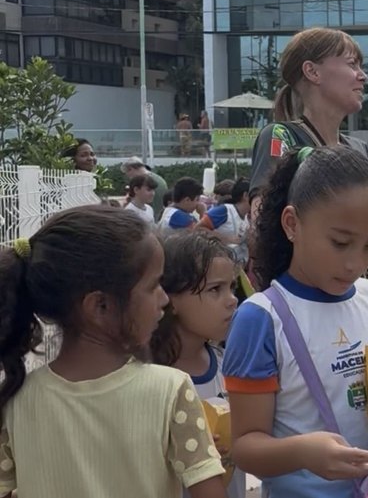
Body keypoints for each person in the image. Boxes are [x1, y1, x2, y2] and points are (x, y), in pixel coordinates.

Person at [222, 146, 368, 498]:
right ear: (292, 224)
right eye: (340, 242)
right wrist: (303, 452)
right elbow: (245, 446)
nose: (354, 263)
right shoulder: (262, 319)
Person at [0, 206, 226, 498]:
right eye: (154, 285)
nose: (165, 299)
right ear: (100, 306)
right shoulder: (172, 389)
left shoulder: (16, 401)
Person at [247, 27, 368, 273]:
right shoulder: (281, 136)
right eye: (352, 65)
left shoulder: (361, 151)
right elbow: (262, 233)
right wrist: (365, 250)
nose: (363, 77)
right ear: (312, 71)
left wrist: (338, 247)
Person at [150, 231, 246, 498]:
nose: (232, 300)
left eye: (232, 287)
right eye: (215, 289)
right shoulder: (148, 380)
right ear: (170, 299)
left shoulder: (230, 366)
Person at [198, 178, 252, 266]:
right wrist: (225, 239)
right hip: (217, 265)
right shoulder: (223, 211)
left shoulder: (246, 217)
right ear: (245, 195)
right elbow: (198, 229)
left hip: (237, 268)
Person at [121, 156, 169, 221]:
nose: (130, 178)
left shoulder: (146, 182)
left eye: (129, 175)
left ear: (131, 169)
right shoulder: (159, 179)